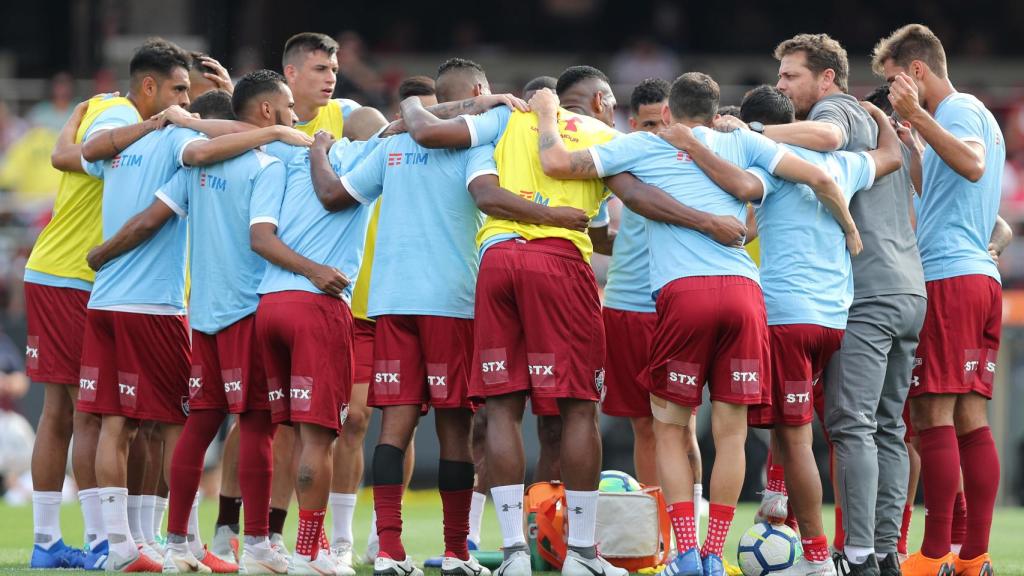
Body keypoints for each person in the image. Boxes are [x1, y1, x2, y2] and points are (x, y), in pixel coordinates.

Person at [400, 64, 748, 576]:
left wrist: (416, 100)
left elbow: (427, 132)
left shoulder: (503, 119)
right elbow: (637, 198)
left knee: (501, 410)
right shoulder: (603, 135)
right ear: (604, 100)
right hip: (560, 265)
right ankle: (583, 554)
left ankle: (515, 553)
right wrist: (706, 220)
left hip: (496, 260)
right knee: (578, 409)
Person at [533, 71, 861, 576]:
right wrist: (850, 230)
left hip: (684, 296)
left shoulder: (643, 146)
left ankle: (684, 552)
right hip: (745, 294)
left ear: (667, 113)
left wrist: (547, 114)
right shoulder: (741, 141)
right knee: (730, 434)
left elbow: (555, 162)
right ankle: (713, 553)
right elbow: (820, 177)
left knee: (667, 428)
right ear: (715, 113)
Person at [79, 49, 311, 572]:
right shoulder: (269, 163)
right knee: (255, 429)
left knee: (194, 428)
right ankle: (257, 544)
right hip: (245, 311)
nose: (296, 116)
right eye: (287, 107)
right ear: (267, 114)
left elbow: (150, 209)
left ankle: (177, 541)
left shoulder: (189, 163)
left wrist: (103, 253)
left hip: (202, 315)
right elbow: (264, 235)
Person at [667, 84, 902, 576]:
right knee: (804, 428)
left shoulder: (769, 161)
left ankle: (815, 560)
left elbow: (744, 192)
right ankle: (779, 506)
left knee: (795, 438)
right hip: (834, 320)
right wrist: (879, 117)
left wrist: (700, 146)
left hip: (786, 316)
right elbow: (890, 157)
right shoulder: (847, 163)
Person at [753, 33, 928, 576]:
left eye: (790, 76)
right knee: (887, 428)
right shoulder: (873, 126)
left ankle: (857, 557)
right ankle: (883, 551)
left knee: (851, 426)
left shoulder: (838, 110)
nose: (782, 85)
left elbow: (828, 136)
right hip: (908, 289)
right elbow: (898, 163)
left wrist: (753, 130)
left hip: (868, 293)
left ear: (826, 77)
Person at [27, 38, 189, 571]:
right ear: (149, 86)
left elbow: (64, 155)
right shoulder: (120, 113)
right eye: (179, 90)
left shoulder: (111, 109)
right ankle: (103, 543)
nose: (184, 103)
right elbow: (79, 155)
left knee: (73, 413)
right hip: (77, 274)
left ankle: (52, 541)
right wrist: (133, 127)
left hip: (69, 273)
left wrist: (69, 131)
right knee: (91, 414)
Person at [875, 24, 1006, 576]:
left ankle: (932, 557)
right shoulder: (969, 118)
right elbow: (958, 189)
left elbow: (973, 165)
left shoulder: (959, 109)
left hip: (949, 278)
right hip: (976, 276)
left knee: (931, 413)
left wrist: (922, 120)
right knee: (971, 418)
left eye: (894, 82)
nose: (892, 93)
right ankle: (972, 555)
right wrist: (913, 147)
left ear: (917, 71)